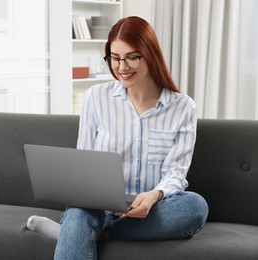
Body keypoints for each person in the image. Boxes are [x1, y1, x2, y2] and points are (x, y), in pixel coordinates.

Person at [27, 16, 208, 260]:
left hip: (151, 209)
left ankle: (80, 234)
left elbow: (176, 173)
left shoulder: (183, 107)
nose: (122, 67)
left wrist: (154, 195)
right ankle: (82, 227)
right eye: (114, 58)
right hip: (96, 206)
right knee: (79, 213)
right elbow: (84, 161)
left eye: (132, 57)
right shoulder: (96, 98)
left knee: (195, 207)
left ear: (150, 54)